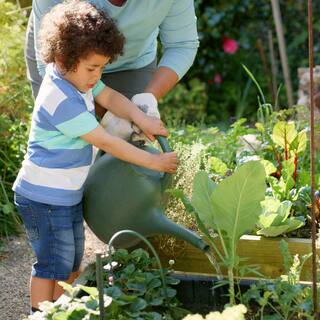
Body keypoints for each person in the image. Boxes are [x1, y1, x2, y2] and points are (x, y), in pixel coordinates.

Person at [13, 1, 178, 313]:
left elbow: (111, 96)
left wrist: (141, 118)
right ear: (63, 58)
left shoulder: (76, 78)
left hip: (65, 195)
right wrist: (153, 162)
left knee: (71, 260)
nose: (97, 76)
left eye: (101, 68)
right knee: (52, 264)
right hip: (43, 199)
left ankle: (61, 309)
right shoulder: (59, 98)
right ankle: (42, 314)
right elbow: (107, 142)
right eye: (93, 68)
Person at [25, 0, 199, 117]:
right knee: (67, 147)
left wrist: (148, 98)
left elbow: (182, 45)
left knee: (127, 154)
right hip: (65, 64)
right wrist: (112, 114)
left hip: (131, 65)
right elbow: (52, 66)